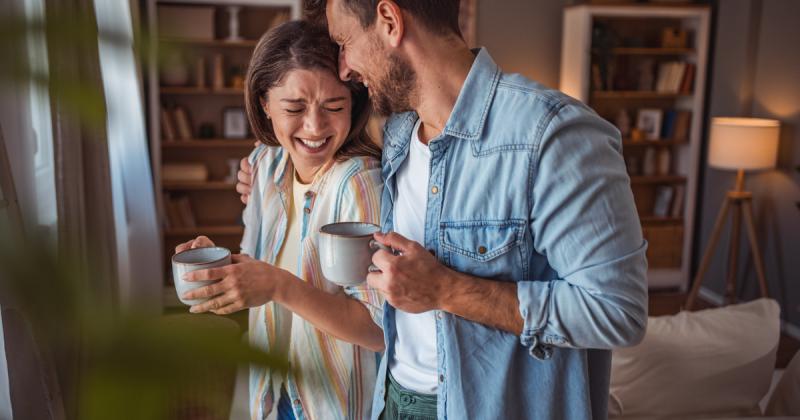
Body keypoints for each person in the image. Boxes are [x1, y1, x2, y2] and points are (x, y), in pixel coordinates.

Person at [238, 1, 649, 418]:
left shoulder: (552, 135)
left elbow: (617, 311)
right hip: (393, 401)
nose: (343, 68)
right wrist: (266, 170)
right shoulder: (398, 135)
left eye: (344, 42)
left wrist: (446, 291)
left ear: (390, 21)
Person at [175, 20, 384, 420]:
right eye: (294, 108)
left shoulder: (359, 184)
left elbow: (377, 330)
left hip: (331, 406)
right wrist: (219, 264)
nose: (315, 126)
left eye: (334, 106)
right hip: (272, 397)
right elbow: (259, 265)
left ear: (353, 106)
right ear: (264, 103)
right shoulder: (264, 165)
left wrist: (278, 286)